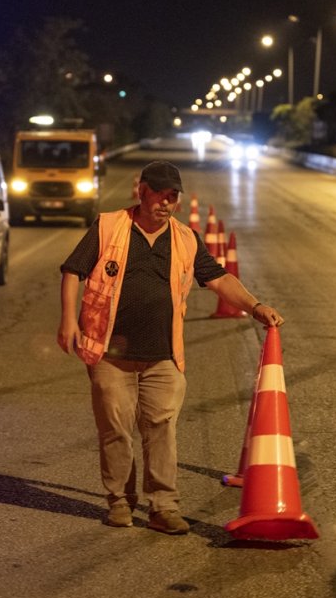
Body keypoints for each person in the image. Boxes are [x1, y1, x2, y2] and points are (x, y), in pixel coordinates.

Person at [57, 160, 284, 535]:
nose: (165, 203)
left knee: (162, 429)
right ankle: (119, 501)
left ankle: (163, 506)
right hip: (109, 355)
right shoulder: (110, 225)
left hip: (163, 355)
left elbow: (219, 279)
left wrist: (255, 306)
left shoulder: (185, 238)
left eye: (172, 196)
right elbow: (72, 270)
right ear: (141, 191)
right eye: (158, 194)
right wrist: (68, 321)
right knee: (115, 428)